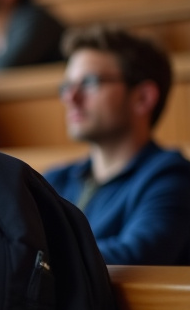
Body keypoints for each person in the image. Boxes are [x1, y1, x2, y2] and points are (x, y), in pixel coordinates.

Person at [44, 26, 190, 265]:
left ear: (142, 98)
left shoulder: (173, 178)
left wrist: (37, 260)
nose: (71, 98)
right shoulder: (54, 180)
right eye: (67, 86)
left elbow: (136, 257)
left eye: (89, 82)